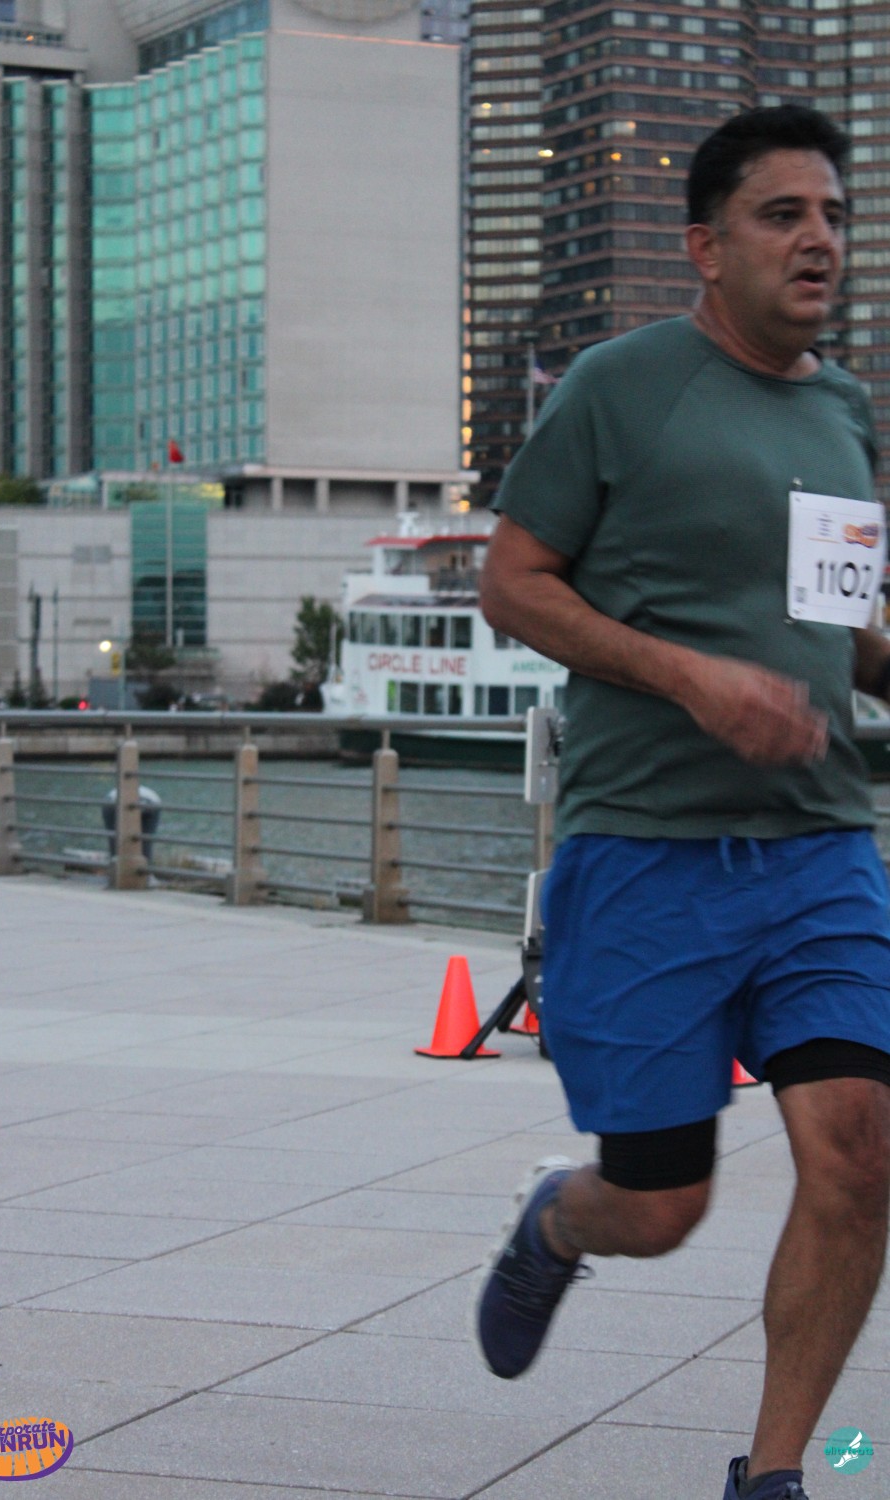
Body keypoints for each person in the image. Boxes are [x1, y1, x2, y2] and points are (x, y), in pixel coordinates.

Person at [474, 104, 890, 1500]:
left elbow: (838, 616)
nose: (820, 239)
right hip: (647, 850)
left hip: (820, 843)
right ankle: (559, 1225)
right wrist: (692, 679)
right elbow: (512, 584)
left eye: (834, 215)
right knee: (660, 1204)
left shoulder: (842, 410)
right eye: (784, 215)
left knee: (860, 1152)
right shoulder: (618, 386)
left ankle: (771, 1477)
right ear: (706, 247)